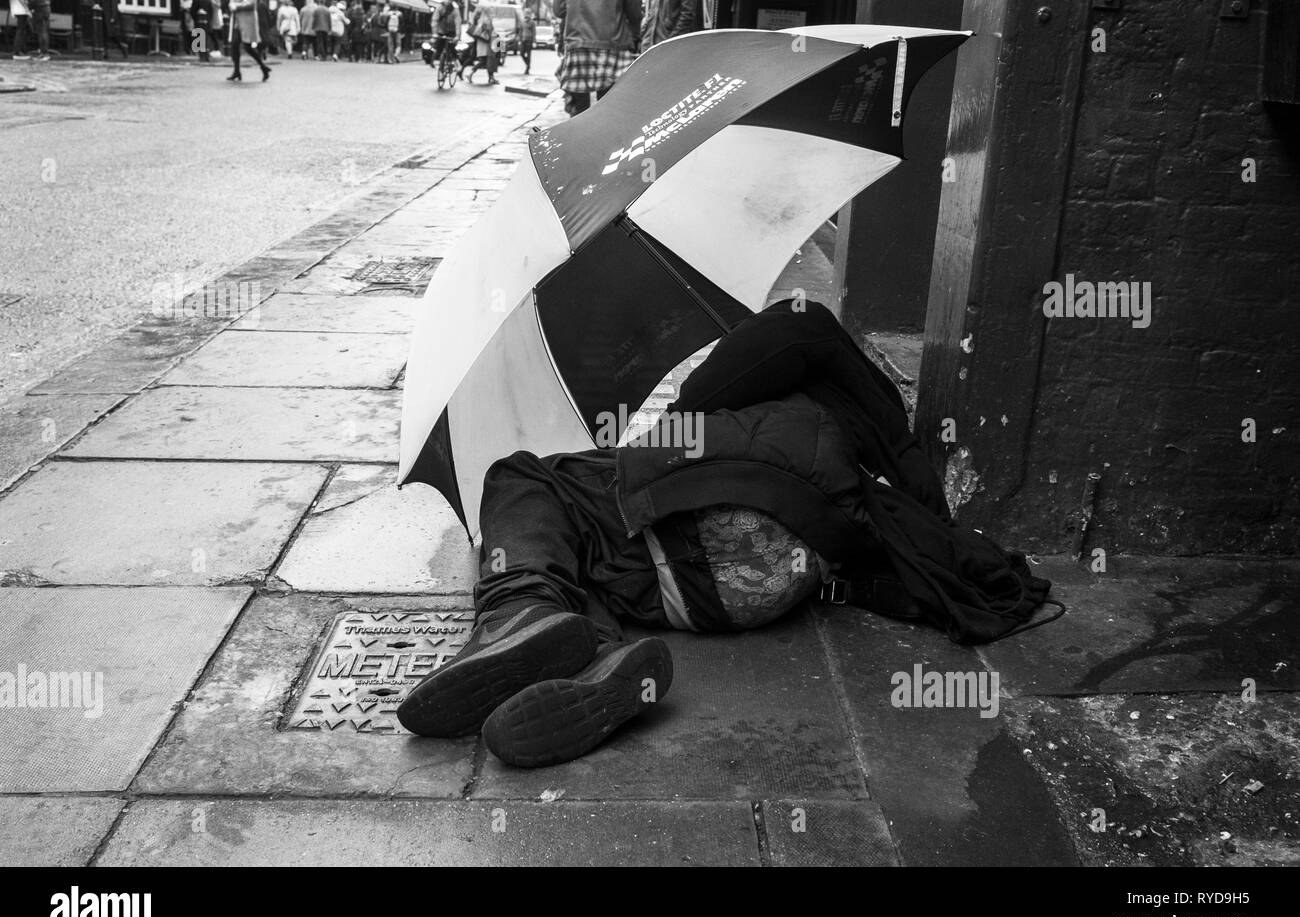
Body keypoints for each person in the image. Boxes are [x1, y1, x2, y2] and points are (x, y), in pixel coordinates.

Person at [395, 300, 1054, 766]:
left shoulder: (800, 357)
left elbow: (775, 344)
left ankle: (516, 613)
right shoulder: (868, 484)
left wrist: (675, 428)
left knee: (525, 477)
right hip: (745, 593)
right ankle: (594, 660)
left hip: (707, 530)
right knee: (580, 550)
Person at [553, 0, 640, 116]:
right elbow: (634, 14)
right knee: (609, 106)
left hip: (578, 42)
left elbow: (559, 11)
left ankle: (580, 132)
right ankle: (605, 131)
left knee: (579, 109)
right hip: (613, 42)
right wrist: (635, 36)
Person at [226, 0, 271, 79]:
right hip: (237, 21)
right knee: (234, 45)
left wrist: (236, 6)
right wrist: (232, 4)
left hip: (248, 21)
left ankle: (263, 67)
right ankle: (236, 71)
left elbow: (251, 4)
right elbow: (231, 2)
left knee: (247, 47)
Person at [461, 0, 495, 84]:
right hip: (485, 43)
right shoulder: (486, 20)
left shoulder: (479, 18)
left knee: (485, 60)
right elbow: (488, 32)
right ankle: (470, 73)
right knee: (485, 60)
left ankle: (491, 78)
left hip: (481, 42)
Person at [431, 0, 460, 66]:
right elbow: (435, 20)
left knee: (452, 49)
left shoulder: (455, 10)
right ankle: (435, 61)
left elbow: (457, 23)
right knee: (438, 47)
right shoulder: (439, 8)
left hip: (452, 32)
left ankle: (456, 64)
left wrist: (457, 36)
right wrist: (434, 33)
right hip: (441, 31)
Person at [519, 0, 537, 74]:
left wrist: (534, 42)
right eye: (525, 13)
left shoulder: (532, 22)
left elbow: (534, 32)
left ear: (529, 14)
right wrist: (519, 40)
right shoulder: (522, 22)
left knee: (529, 55)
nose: (526, 14)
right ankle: (528, 64)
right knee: (521, 53)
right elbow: (520, 31)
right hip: (523, 40)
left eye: (527, 13)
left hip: (529, 41)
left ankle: (527, 68)